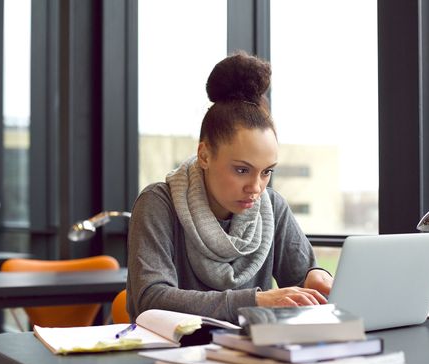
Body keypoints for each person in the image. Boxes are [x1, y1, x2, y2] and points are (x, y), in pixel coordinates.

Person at [126, 52, 333, 323]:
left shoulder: (272, 206)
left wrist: (317, 277)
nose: (255, 187)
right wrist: (256, 301)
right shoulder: (158, 203)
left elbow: (302, 280)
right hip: (172, 355)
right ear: (205, 155)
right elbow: (150, 300)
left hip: (252, 353)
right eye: (242, 170)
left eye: (266, 172)